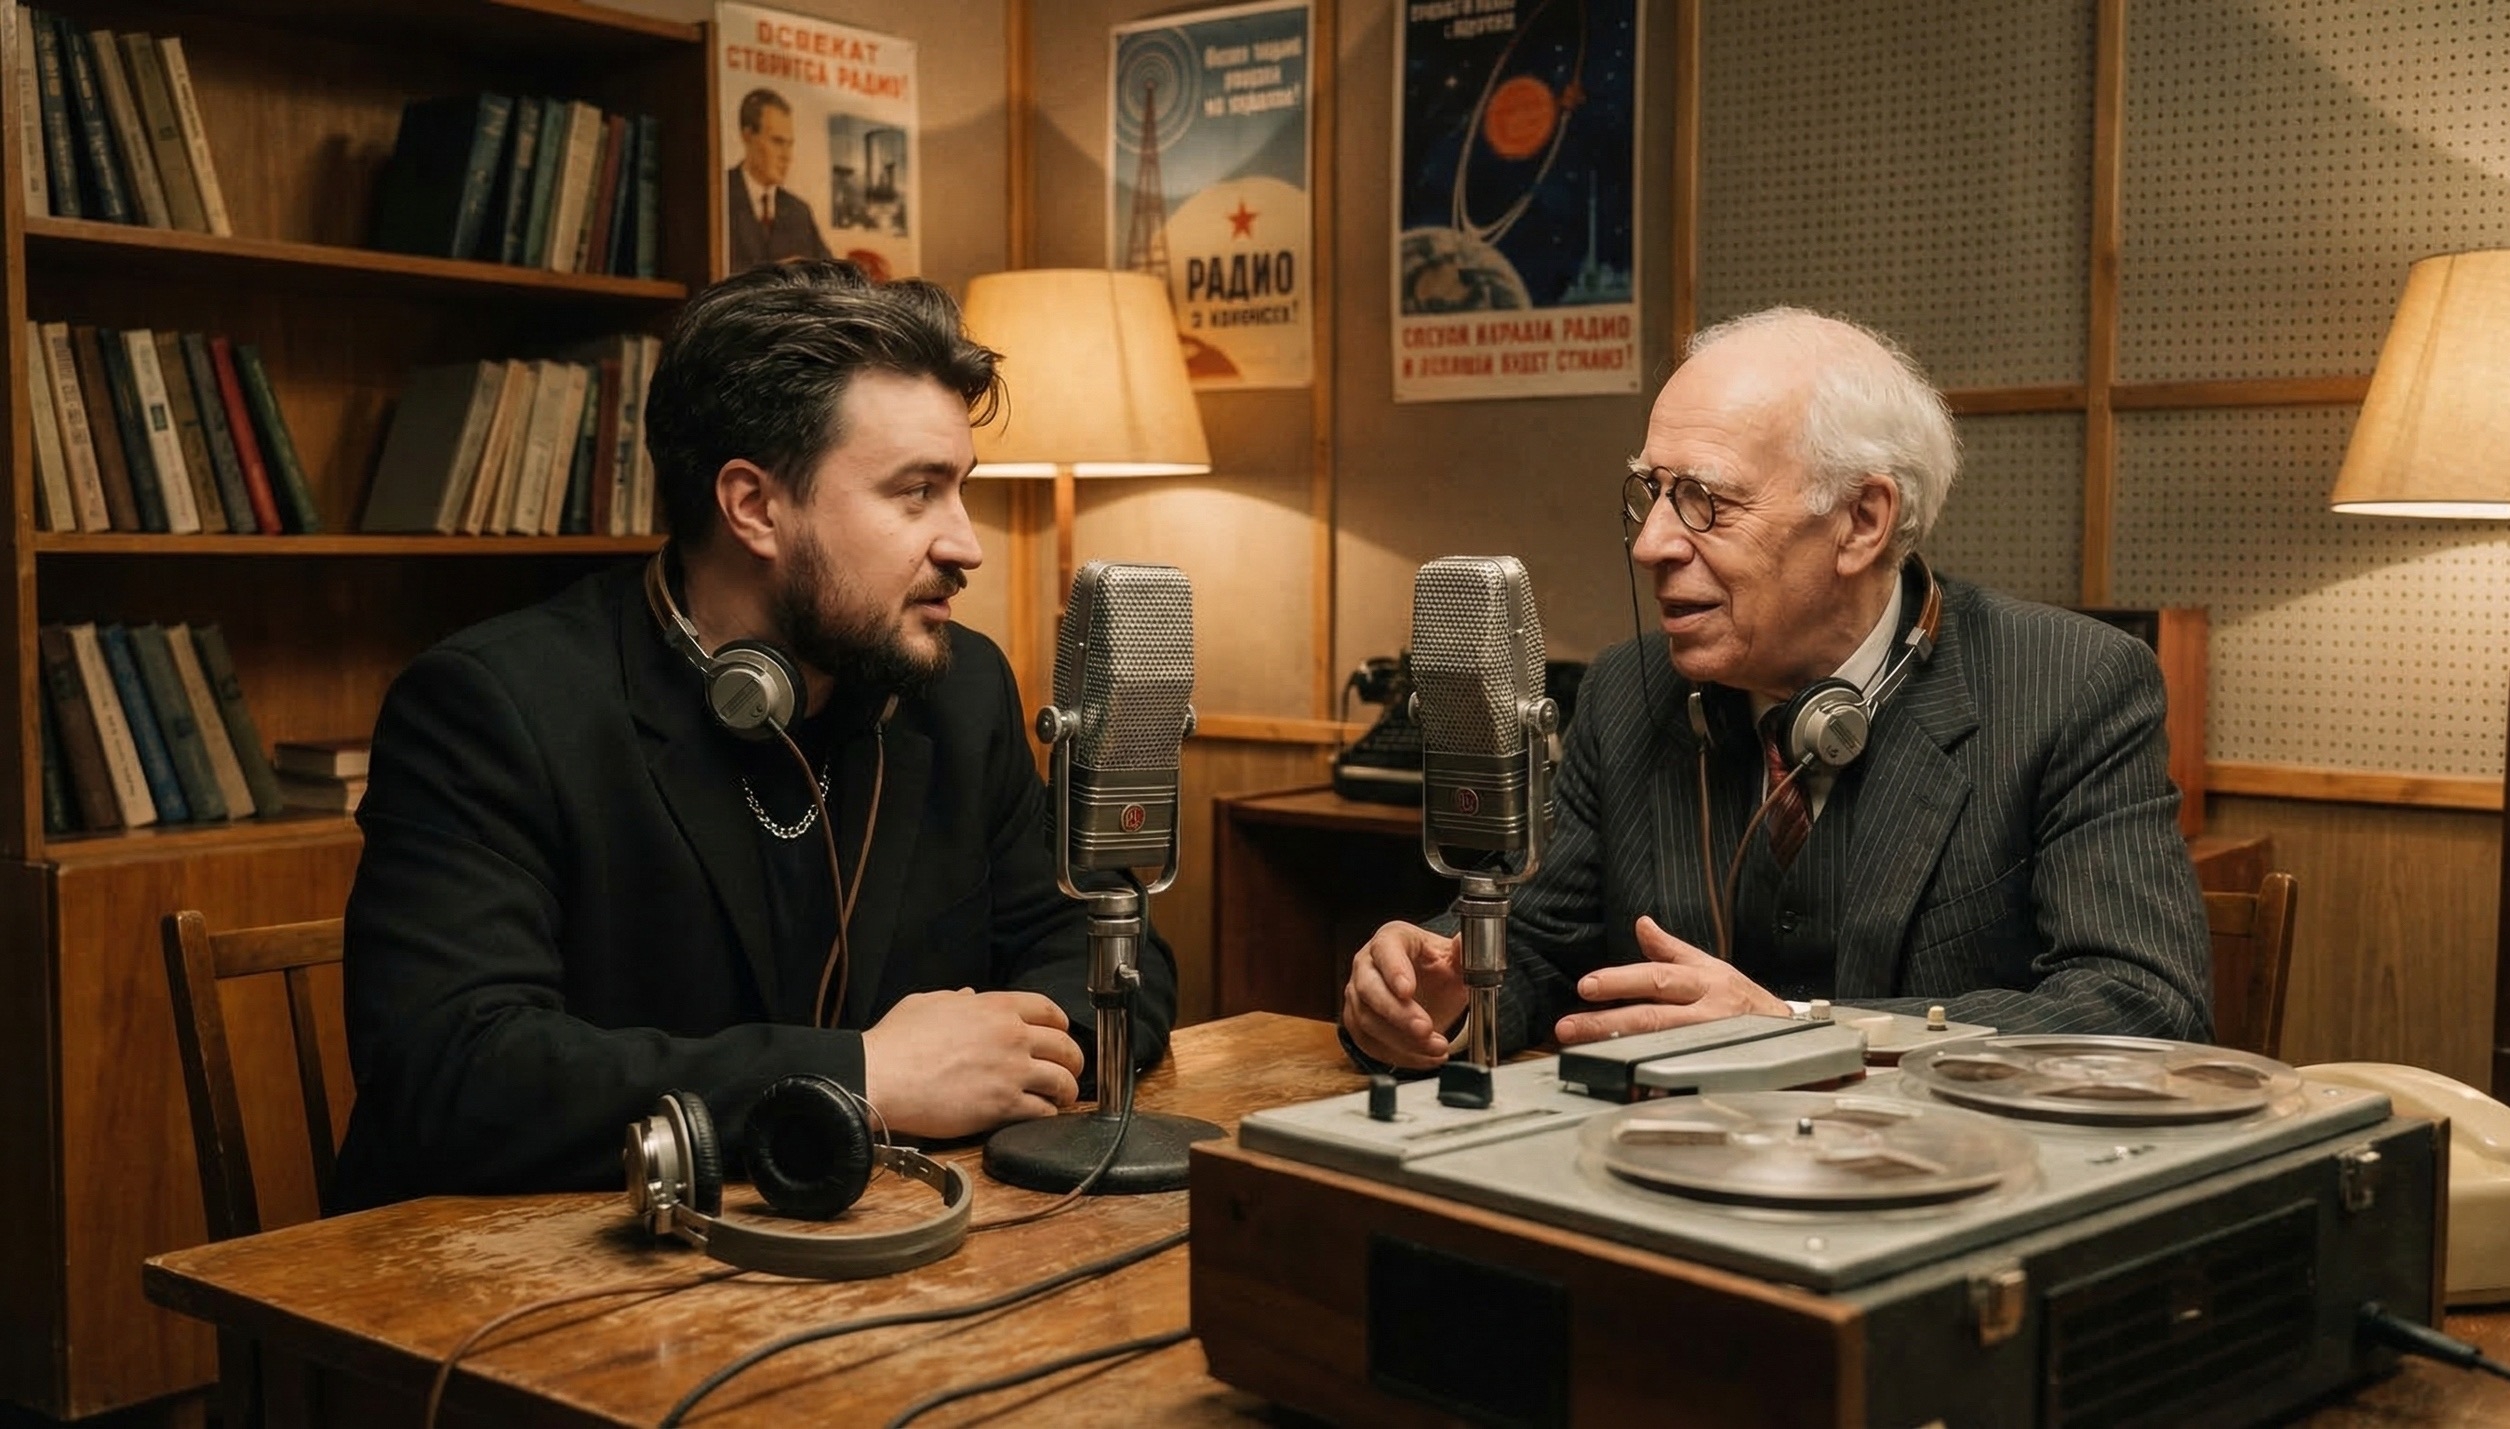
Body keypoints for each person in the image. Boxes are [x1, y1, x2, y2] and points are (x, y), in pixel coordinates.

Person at [331, 262, 1176, 1210]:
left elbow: (1114, 957)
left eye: (960, 489)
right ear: (752, 506)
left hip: (895, 1241)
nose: (965, 543)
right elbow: (453, 1073)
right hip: (546, 1267)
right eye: (916, 492)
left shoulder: (957, 687)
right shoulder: (492, 707)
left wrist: (1004, 1059)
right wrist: (864, 1076)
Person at [1341, 307, 2212, 1070]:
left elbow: (2143, 1007)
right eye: (1651, 493)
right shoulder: (1625, 694)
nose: (1651, 544)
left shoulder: (2072, 687)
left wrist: (1800, 1029)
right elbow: (1534, 946)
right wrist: (1435, 994)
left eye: (1704, 500)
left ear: (1861, 522)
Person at [728, 88, 828, 270]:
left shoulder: (799, 212)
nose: (787, 156)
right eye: (777, 142)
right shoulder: (718, 195)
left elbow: (832, 276)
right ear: (748, 136)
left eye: (790, 144)